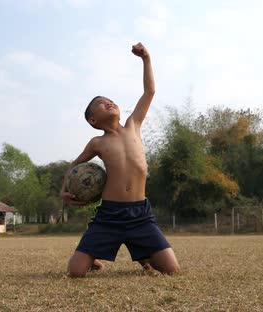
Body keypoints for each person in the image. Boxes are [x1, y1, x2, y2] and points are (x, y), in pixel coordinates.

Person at [60, 42, 180, 278]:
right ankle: (93, 257)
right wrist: (64, 190)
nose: (109, 102)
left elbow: (149, 92)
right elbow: (74, 167)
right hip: (110, 215)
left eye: (110, 100)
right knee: (75, 273)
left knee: (172, 269)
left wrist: (146, 59)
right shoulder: (98, 142)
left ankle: (144, 255)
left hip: (140, 213)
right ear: (93, 120)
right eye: (101, 104)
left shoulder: (133, 125)